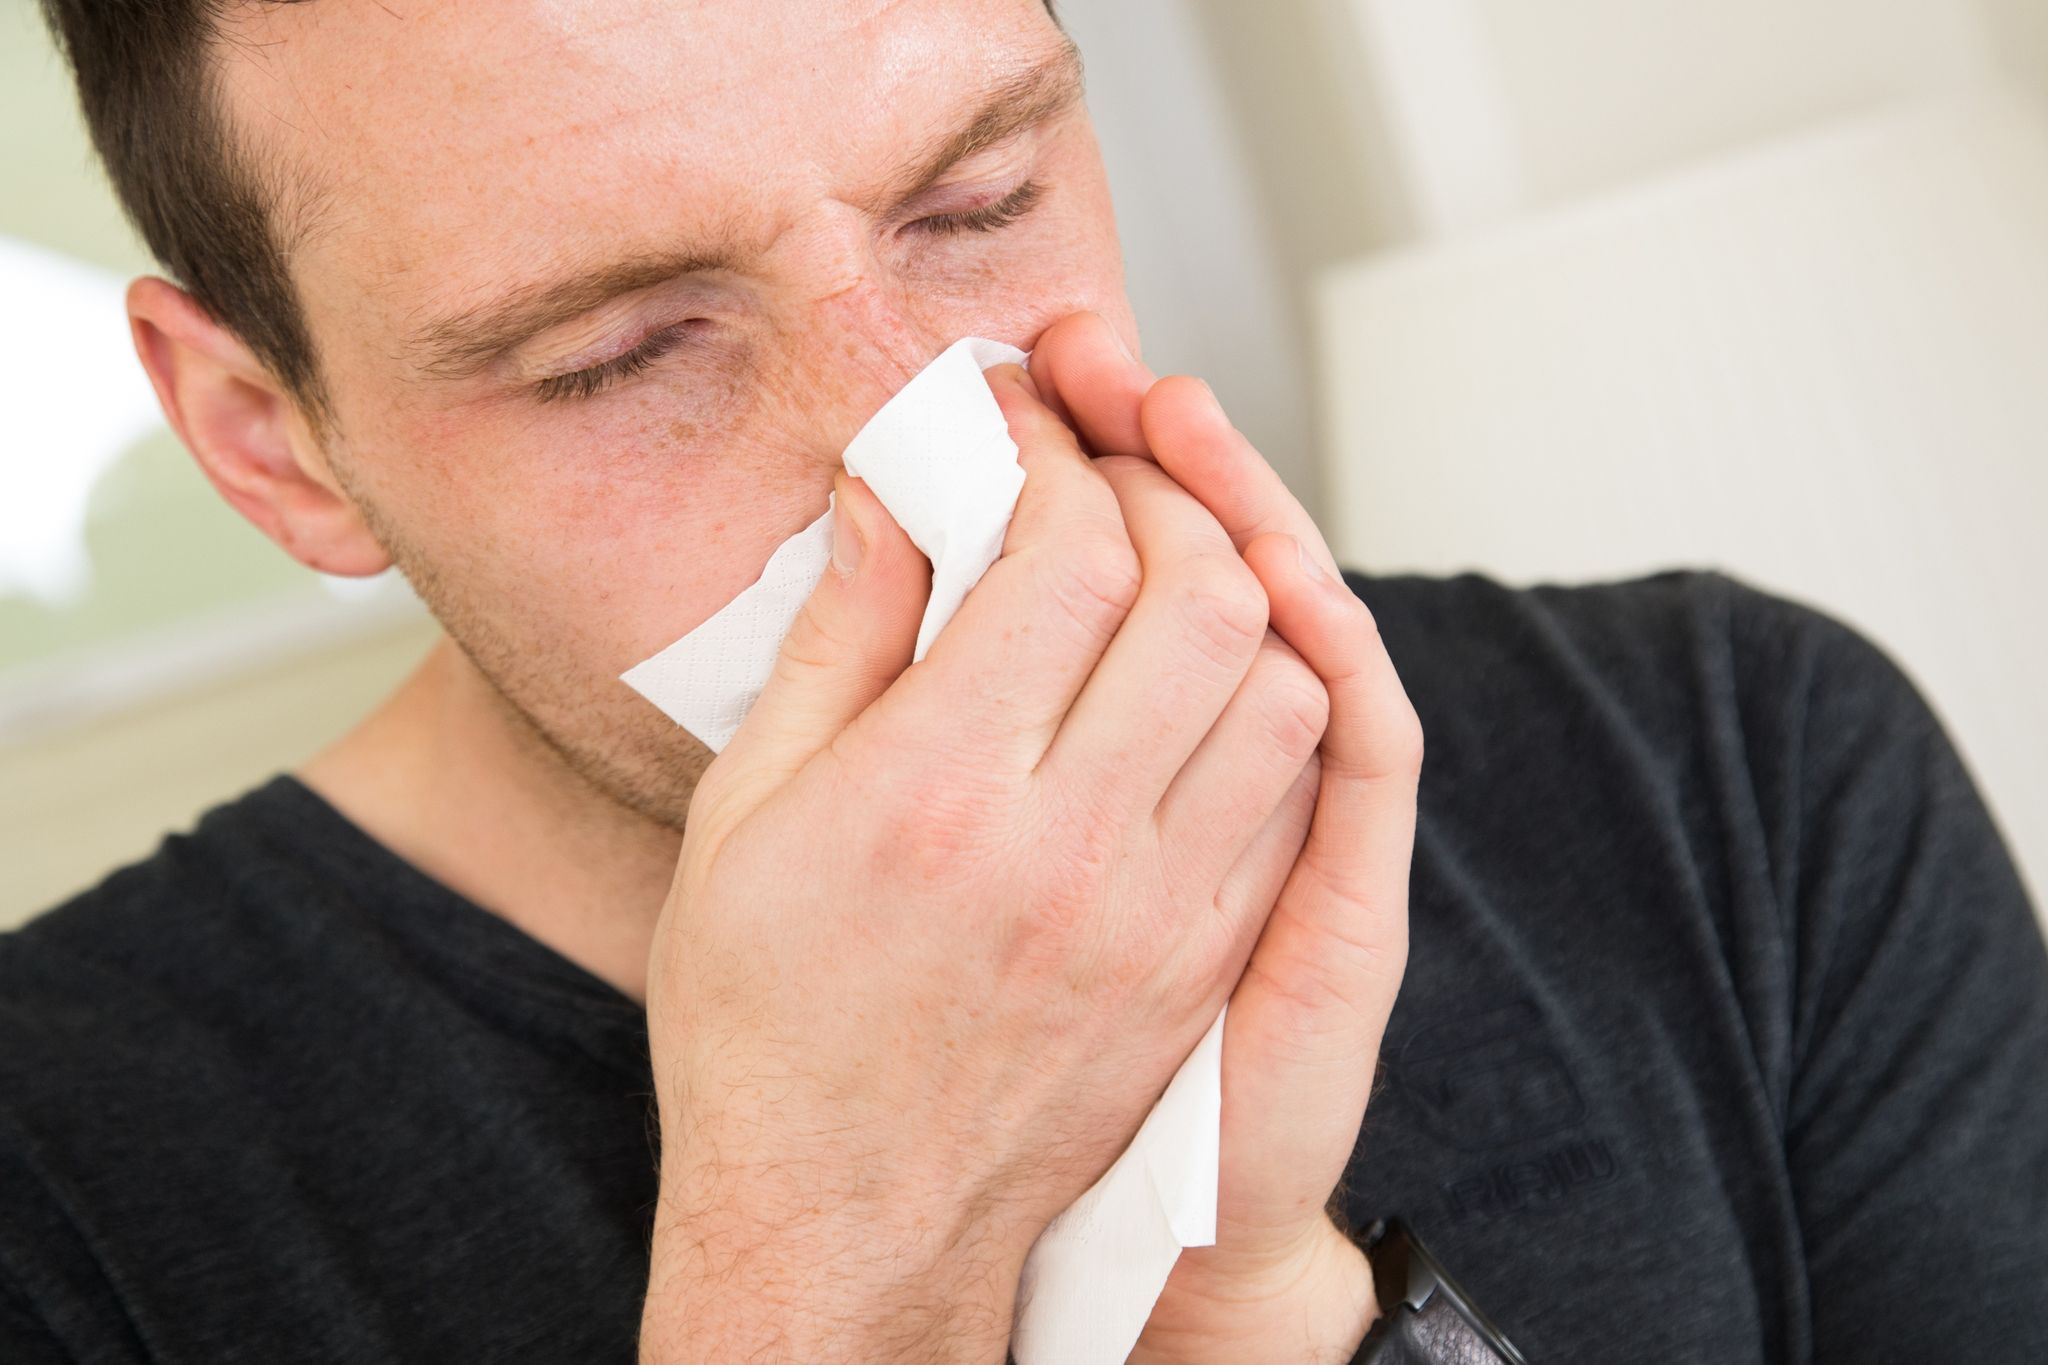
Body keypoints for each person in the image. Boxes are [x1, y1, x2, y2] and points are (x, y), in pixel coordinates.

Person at [5, 1, 2044, 1361]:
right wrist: (821, 1255)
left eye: (978, 203)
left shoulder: (1734, 770)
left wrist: (1244, 1306)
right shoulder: (59, 1194)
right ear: (272, 438)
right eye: (618, 352)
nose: (925, 448)